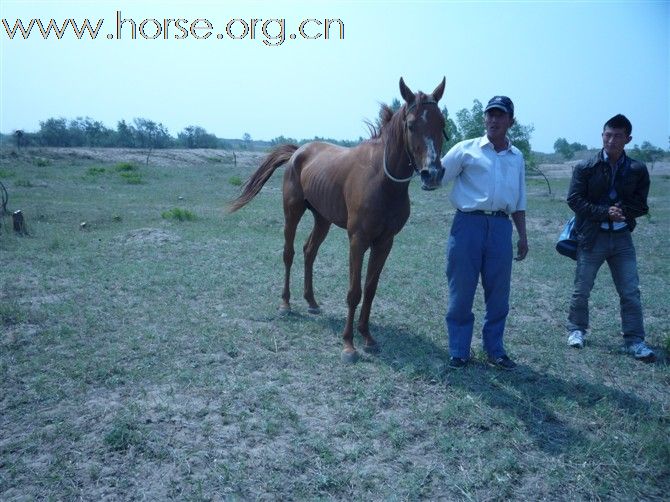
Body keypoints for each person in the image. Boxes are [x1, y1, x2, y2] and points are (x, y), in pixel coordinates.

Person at [440, 96, 528, 370]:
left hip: (501, 228)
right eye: (490, 114)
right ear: (484, 119)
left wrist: (523, 236)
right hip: (468, 225)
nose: (493, 120)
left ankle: (495, 349)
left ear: (510, 121)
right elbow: (435, 175)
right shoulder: (466, 150)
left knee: (499, 294)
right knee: (462, 290)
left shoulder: (517, 157)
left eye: (500, 115)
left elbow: (520, 199)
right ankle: (459, 350)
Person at [565, 114, 654, 362]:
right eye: (608, 134)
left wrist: (622, 212)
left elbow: (642, 205)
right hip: (592, 237)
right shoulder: (585, 167)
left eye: (617, 136)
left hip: (622, 238)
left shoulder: (637, 169)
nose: (611, 140)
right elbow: (574, 200)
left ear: (628, 139)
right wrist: (605, 212)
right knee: (582, 289)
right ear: (602, 135)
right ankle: (576, 330)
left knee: (630, 291)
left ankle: (635, 340)